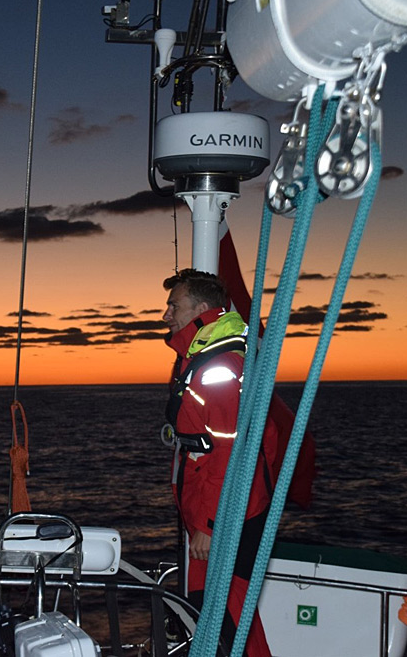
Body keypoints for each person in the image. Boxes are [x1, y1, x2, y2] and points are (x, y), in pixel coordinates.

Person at [161, 268, 277, 657]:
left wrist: (209, 525)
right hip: (218, 510)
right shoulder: (204, 357)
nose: (166, 315)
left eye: (173, 306)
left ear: (202, 309)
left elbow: (229, 453)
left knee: (229, 615)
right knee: (213, 610)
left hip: (226, 515)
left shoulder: (219, 368)